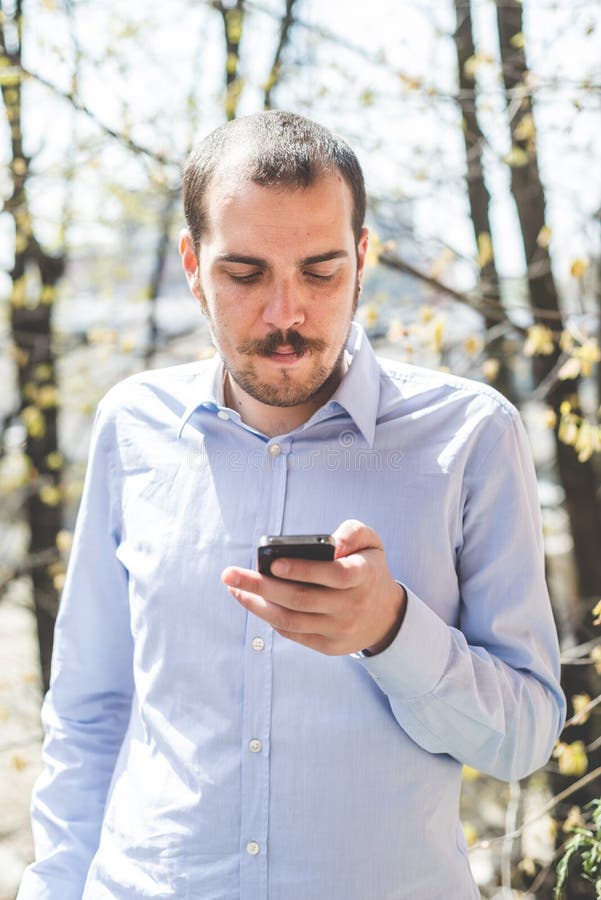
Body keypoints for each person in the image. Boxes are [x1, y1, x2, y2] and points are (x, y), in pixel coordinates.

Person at [19, 110, 565, 900]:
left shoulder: (472, 436)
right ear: (192, 265)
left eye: (320, 271)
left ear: (363, 259)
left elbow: (523, 740)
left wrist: (389, 632)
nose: (285, 315)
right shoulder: (131, 424)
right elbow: (88, 709)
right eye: (244, 274)